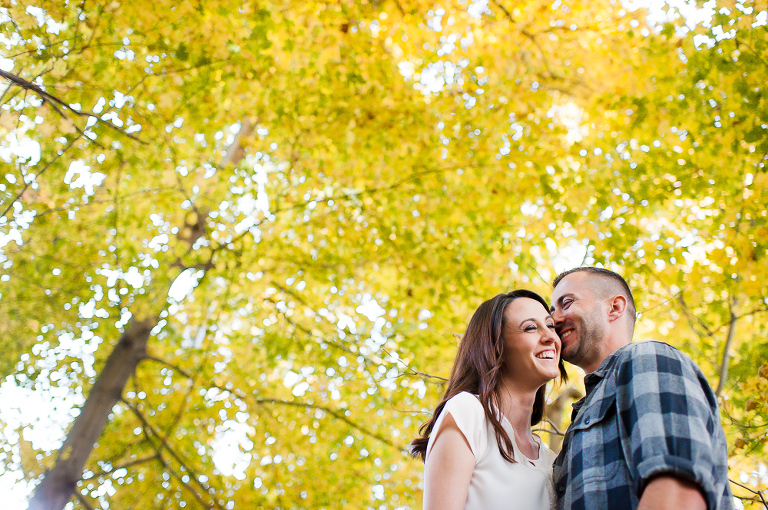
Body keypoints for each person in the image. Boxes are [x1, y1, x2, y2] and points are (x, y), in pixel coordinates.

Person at [550, 267, 733, 510]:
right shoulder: (582, 415)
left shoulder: (646, 359)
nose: (554, 320)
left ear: (614, 307)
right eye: (552, 311)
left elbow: (677, 496)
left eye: (567, 303)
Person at [411, 290, 566, 510]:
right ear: (495, 347)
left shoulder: (552, 460)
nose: (550, 336)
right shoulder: (467, 413)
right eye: (530, 327)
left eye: (550, 326)